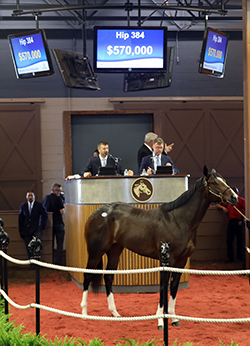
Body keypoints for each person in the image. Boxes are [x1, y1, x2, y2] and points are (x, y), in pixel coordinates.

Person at [216, 187, 245, 263]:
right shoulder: (229, 202)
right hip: (231, 221)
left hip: (238, 221)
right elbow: (217, 205)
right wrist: (223, 208)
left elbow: (247, 210)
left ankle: (240, 258)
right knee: (229, 240)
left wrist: (242, 220)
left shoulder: (241, 201)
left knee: (240, 241)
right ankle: (231, 258)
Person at [18, 191, 48, 260]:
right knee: (29, 246)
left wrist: (42, 226)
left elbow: (45, 216)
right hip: (26, 230)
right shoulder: (23, 206)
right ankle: (31, 262)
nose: (30, 197)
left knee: (37, 246)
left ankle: (37, 262)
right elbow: (20, 218)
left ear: (34, 196)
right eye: (29, 195)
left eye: (31, 195)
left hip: (36, 229)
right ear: (26, 197)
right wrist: (21, 230)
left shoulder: (39, 205)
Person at [43, 183, 65, 265]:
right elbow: (62, 212)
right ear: (56, 190)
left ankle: (49, 261)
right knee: (59, 244)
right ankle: (58, 262)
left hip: (49, 223)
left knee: (49, 243)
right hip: (58, 223)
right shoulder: (58, 199)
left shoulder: (46, 198)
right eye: (59, 191)